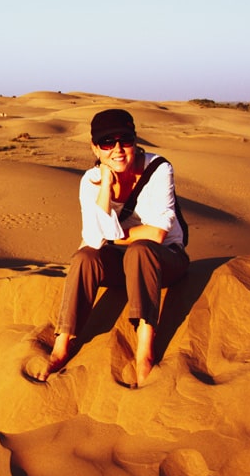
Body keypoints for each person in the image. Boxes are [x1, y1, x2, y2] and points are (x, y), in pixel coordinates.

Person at [27, 108, 189, 386]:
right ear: (95, 147)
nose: (117, 149)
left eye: (124, 140)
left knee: (141, 250)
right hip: (121, 266)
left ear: (135, 140)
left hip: (165, 262)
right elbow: (92, 241)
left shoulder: (160, 169)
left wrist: (107, 235)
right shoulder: (90, 181)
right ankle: (62, 344)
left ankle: (144, 353)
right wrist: (105, 187)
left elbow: (158, 233)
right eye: (107, 143)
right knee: (84, 257)